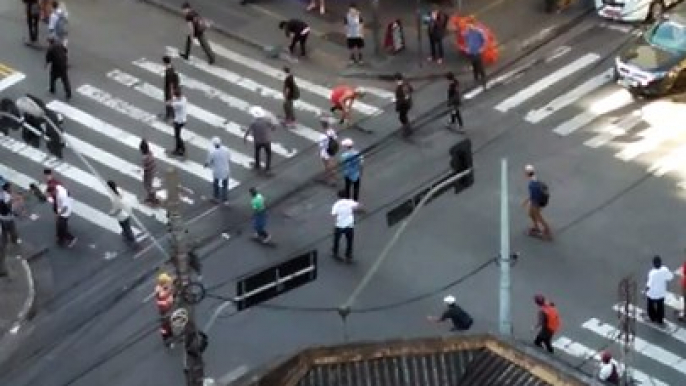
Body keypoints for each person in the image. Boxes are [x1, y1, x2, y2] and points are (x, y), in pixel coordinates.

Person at [244, 106, 276, 174]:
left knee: (257, 152)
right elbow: (273, 126)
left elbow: (248, 130)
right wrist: (271, 130)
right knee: (268, 153)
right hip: (267, 140)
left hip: (258, 141)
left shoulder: (253, 122)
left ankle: (257, 165)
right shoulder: (267, 120)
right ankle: (267, 168)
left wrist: (245, 138)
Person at [523, 165, 551, 239]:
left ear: (526, 173)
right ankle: (536, 226)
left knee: (538, 216)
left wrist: (531, 203)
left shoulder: (532, 184)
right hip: (538, 201)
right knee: (531, 214)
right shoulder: (535, 179)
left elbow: (534, 196)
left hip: (536, 202)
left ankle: (547, 230)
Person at [645, 255, 674, 325]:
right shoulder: (664, 269)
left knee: (650, 306)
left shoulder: (652, 273)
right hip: (661, 293)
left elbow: (649, 284)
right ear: (661, 263)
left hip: (652, 294)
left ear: (653, 264)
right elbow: (670, 277)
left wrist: (645, 291)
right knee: (660, 306)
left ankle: (652, 317)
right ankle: (660, 319)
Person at [331, 189, 358, 262]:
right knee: (349, 241)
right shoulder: (350, 202)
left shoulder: (336, 204)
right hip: (349, 225)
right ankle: (348, 256)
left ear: (339, 196)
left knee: (337, 239)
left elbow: (334, 214)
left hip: (340, 225)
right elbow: (357, 206)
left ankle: (335, 252)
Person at [106, 180, 137, 245]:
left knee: (124, 225)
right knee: (127, 224)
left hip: (122, 214)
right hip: (127, 208)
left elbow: (117, 208)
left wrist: (111, 213)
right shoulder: (118, 190)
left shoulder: (114, 198)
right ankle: (128, 234)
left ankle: (130, 237)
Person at [204, 137, 231, 204]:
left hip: (217, 171)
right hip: (226, 169)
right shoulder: (226, 150)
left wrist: (205, 165)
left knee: (216, 184)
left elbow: (208, 162)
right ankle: (225, 199)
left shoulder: (212, 152)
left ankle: (216, 197)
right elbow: (228, 158)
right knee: (225, 185)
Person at [49, 183, 76, 248]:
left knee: (61, 226)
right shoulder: (58, 188)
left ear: (54, 190)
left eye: (52, 193)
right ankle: (60, 238)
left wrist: (59, 214)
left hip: (65, 213)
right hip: (61, 209)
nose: (52, 195)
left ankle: (71, 238)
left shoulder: (62, 196)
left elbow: (65, 208)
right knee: (59, 225)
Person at [464, 22, 487, 88]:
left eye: (470, 26)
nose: (469, 27)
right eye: (468, 26)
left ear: (473, 25)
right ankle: (476, 79)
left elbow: (484, 40)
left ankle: (484, 80)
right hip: (471, 53)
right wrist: (467, 48)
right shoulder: (467, 33)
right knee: (474, 67)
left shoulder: (479, 32)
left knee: (480, 67)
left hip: (477, 52)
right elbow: (466, 40)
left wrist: (482, 48)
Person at [155, 272, 175, 347]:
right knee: (166, 326)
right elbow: (163, 295)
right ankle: (167, 341)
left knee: (170, 322)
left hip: (168, 307)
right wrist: (170, 290)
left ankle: (172, 336)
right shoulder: (159, 289)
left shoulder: (165, 286)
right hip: (164, 309)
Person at [139, 139, 160, 205]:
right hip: (153, 170)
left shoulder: (144, 158)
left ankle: (152, 199)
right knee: (149, 185)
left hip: (148, 173)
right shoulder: (150, 153)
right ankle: (151, 197)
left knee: (147, 186)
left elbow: (146, 168)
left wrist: (142, 172)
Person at [318, 118, 338, 186]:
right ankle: (331, 176)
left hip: (325, 151)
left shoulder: (322, 136)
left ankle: (330, 178)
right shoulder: (331, 131)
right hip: (332, 149)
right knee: (331, 162)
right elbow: (335, 138)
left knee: (327, 165)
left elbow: (321, 146)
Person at [0, 183, 20, 247]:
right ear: (7, 188)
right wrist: (15, 213)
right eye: (10, 187)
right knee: (12, 229)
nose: (11, 188)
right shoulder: (7, 197)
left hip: (2, 216)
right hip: (8, 217)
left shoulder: (1, 194)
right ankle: (14, 240)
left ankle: (4, 241)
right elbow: (8, 207)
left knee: (4, 230)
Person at [170, 89, 187, 156]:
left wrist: (171, 101)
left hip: (179, 121)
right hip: (183, 119)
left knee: (177, 136)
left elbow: (171, 104)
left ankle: (182, 149)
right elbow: (174, 100)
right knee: (177, 135)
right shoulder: (184, 99)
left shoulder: (179, 104)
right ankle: (177, 148)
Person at [162, 56, 180, 121]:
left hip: (169, 89)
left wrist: (171, 91)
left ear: (165, 62)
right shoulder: (172, 67)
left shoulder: (169, 71)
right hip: (173, 87)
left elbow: (170, 82)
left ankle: (169, 115)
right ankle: (171, 113)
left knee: (168, 101)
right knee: (170, 101)